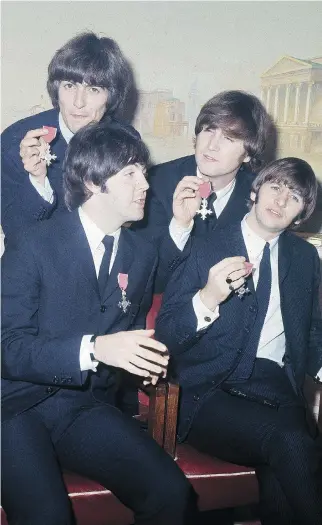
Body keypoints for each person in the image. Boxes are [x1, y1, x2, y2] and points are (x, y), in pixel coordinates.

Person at [1, 120, 194, 525]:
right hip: (14, 407)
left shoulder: (141, 253)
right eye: (130, 173)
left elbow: (135, 335)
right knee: (48, 517)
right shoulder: (33, 244)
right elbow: (8, 349)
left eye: (143, 171)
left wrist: (146, 365)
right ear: (92, 180)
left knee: (172, 493)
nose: (145, 184)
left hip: (83, 407)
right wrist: (94, 349)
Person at [155, 157, 322, 524]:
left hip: (277, 390)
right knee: (292, 442)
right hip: (209, 393)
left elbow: (314, 331)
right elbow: (166, 334)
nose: (280, 200)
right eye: (275, 187)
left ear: (300, 214)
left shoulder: (305, 258)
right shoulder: (206, 246)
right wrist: (208, 297)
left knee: (288, 457)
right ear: (255, 189)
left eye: (293, 197)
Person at [1, 31, 138, 239]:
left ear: (112, 96)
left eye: (93, 89)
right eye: (69, 86)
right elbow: (16, 235)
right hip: (39, 264)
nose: (78, 102)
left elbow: (134, 230)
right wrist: (38, 182)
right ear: (56, 89)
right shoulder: (17, 140)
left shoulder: (125, 140)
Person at [134, 90, 274, 291]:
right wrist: (180, 226)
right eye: (209, 130)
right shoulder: (156, 183)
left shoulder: (259, 195)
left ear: (248, 154)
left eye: (229, 138)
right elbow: (148, 281)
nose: (212, 145)